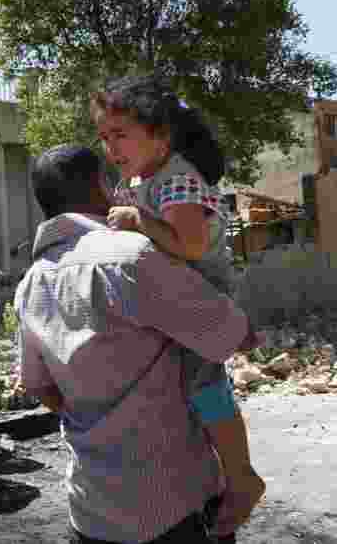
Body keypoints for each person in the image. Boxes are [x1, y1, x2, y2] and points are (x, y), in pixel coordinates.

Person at [16, 145, 257, 543]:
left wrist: (103, 418)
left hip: (90, 511)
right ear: (101, 185)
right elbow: (234, 335)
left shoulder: (30, 284)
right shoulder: (131, 257)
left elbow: (40, 386)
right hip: (172, 507)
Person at [93, 75, 264, 537]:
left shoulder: (178, 180)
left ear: (161, 136)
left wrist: (139, 221)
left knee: (205, 389)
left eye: (120, 134)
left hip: (201, 300)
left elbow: (190, 245)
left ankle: (242, 477)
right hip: (175, 300)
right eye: (104, 137)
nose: (111, 147)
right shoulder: (143, 178)